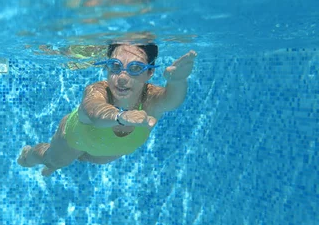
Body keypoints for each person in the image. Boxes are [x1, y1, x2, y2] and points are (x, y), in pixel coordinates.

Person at [18, 42, 197, 176]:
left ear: (149, 73)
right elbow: (94, 110)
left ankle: (63, 163)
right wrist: (120, 116)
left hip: (104, 149)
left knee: (89, 158)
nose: (122, 77)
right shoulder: (97, 90)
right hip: (74, 139)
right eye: (115, 66)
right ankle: (28, 156)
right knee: (53, 160)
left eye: (135, 68)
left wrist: (177, 81)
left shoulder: (151, 98)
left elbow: (171, 101)